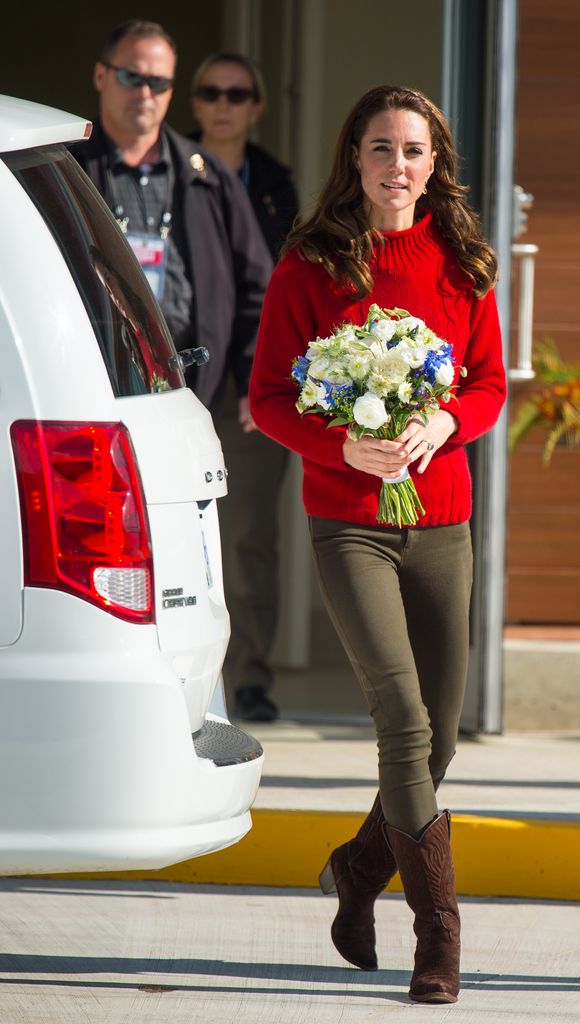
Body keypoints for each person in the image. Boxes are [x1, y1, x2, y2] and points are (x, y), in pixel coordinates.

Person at [249, 85, 506, 1003]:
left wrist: (445, 425)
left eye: (413, 151)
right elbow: (269, 400)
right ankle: (437, 935)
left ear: (434, 165)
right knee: (401, 719)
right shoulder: (310, 263)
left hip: (441, 522)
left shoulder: (465, 261)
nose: (396, 167)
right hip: (350, 524)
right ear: (351, 159)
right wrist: (341, 442)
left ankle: (357, 872)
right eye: (378, 149)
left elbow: (485, 385)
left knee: (436, 742)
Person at [69, 21, 274, 719]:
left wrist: (250, 379)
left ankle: (236, 681)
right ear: (102, 77)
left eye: (157, 81)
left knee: (225, 545)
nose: (145, 94)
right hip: (97, 397)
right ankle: (124, 686)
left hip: (198, 398)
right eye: (132, 77)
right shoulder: (67, 169)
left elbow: (258, 285)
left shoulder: (204, 175)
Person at [190, 52, 300, 722]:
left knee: (252, 534)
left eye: (238, 94)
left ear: (257, 106)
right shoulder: (164, 173)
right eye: (211, 92)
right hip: (175, 383)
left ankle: (250, 676)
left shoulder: (275, 185)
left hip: (251, 389)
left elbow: (279, 290)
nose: (224, 104)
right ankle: (187, 679)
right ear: (195, 103)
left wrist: (265, 381)